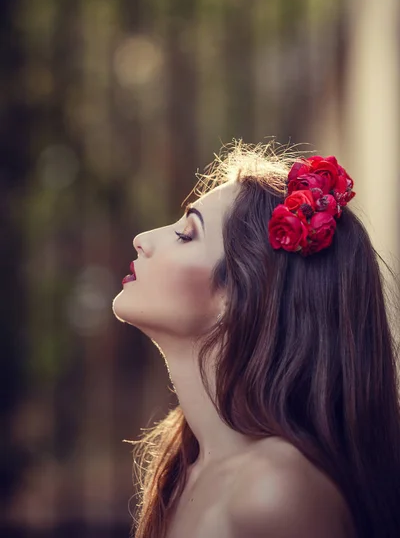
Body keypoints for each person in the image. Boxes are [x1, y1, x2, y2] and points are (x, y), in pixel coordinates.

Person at [112, 140, 400, 538]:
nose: (143, 238)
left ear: (243, 296)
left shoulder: (275, 493)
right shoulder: (183, 469)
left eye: (186, 235)